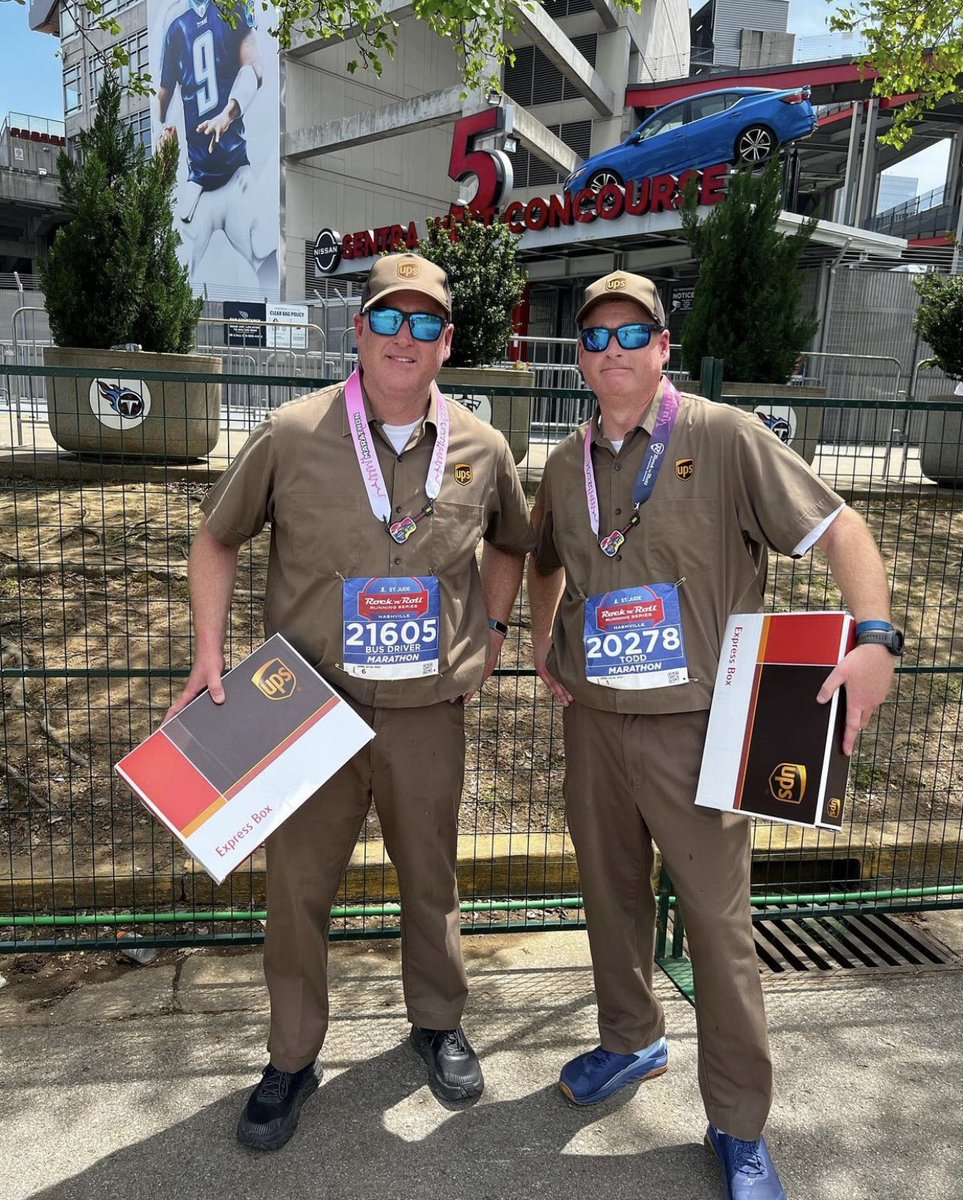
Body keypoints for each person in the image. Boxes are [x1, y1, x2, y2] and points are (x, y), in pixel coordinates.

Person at [527, 270, 900, 1200]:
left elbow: (838, 528)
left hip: (700, 729)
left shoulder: (724, 438)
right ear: (580, 357)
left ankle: (738, 1123)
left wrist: (875, 637)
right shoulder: (565, 462)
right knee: (609, 899)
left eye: (632, 334)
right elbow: (544, 560)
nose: (613, 351)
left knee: (716, 928)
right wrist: (539, 643)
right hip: (594, 727)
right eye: (595, 337)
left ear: (663, 348)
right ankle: (630, 1039)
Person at [166, 253, 533, 1151]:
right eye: (389, 319)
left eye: (424, 322)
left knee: (429, 876)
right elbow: (215, 538)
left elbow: (512, 543)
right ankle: (291, 1058)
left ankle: (437, 1023)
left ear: (447, 341)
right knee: (297, 889)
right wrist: (208, 652)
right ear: (359, 332)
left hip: (425, 710)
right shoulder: (291, 434)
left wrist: (491, 631)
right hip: (306, 709)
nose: (405, 337)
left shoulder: (482, 447)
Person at [156, 0, 277, 289]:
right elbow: (164, 97)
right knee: (175, 275)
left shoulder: (231, 7)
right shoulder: (175, 23)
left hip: (236, 173)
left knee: (266, 259)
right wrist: (165, 130)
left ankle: (283, 318)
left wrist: (227, 114)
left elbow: (254, 68)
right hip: (198, 185)